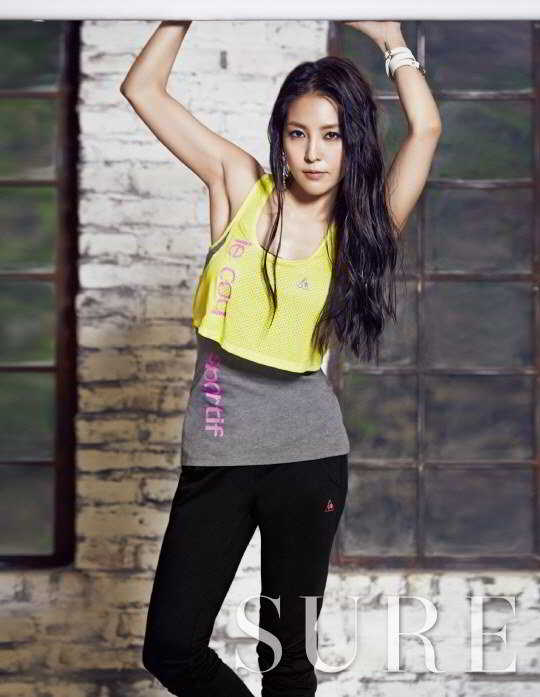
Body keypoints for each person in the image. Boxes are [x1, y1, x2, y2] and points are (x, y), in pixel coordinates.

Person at [120, 18, 441, 697]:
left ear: (353, 141)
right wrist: (183, 11)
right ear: (281, 138)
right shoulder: (240, 186)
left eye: (332, 136)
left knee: (287, 661)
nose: (314, 154)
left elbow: (427, 130)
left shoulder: (365, 226)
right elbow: (143, 90)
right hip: (217, 453)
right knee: (172, 649)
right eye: (299, 134)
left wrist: (390, 39)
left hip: (308, 457)